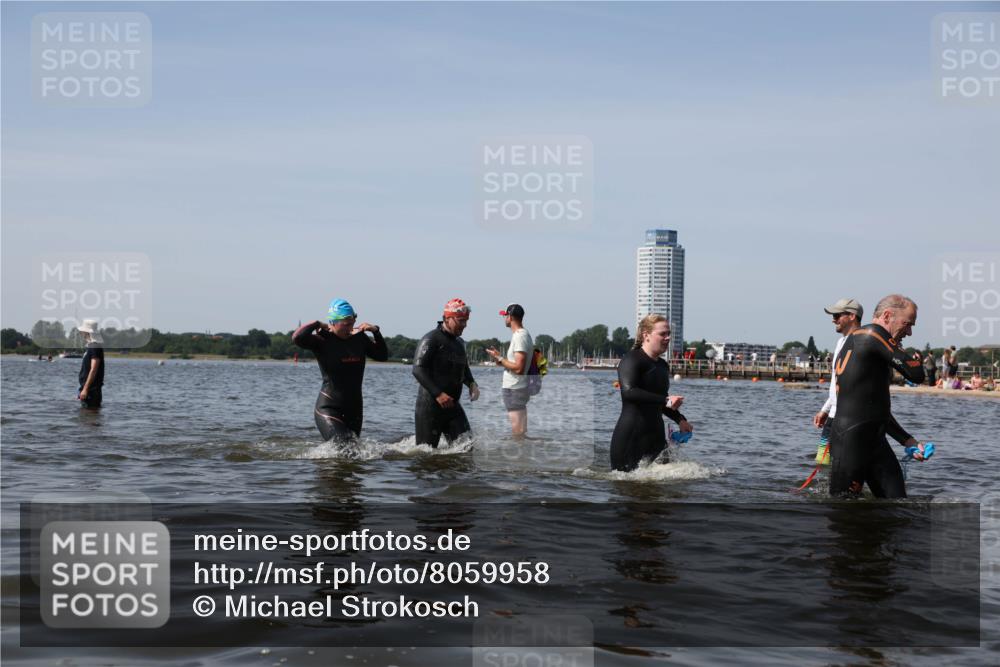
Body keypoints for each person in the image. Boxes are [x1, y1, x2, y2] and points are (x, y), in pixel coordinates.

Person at [829, 294, 928, 498]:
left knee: (897, 505)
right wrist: (899, 349)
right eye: (907, 324)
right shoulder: (871, 334)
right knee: (844, 511)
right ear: (887, 315)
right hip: (852, 441)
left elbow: (872, 407)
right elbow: (917, 374)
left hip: (873, 438)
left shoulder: (864, 340)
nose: (909, 332)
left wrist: (907, 440)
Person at [292, 299, 388, 442]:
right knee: (344, 445)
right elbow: (297, 337)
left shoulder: (360, 338)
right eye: (346, 324)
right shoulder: (322, 340)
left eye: (352, 322)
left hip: (354, 409)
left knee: (353, 452)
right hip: (329, 407)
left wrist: (376, 331)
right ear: (333, 322)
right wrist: (317, 324)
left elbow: (382, 356)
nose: (350, 328)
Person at [610, 314, 693, 472]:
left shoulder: (662, 366)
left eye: (669, 334)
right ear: (646, 335)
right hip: (631, 438)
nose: (668, 338)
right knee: (628, 490)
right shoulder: (631, 360)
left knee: (668, 491)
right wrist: (666, 400)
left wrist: (680, 419)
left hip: (656, 436)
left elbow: (660, 403)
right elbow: (629, 392)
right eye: (663, 334)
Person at [412, 298, 480, 448]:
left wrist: (472, 384)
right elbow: (418, 369)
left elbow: (464, 368)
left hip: (453, 407)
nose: (464, 325)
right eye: (460, 321)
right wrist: (438, 394)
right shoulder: (431, 339)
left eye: (466, 321)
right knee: (426, 456)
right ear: (447, 318)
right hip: (430, 407)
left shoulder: (460, 343)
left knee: (467, 449)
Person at [812, 298, 863, 465]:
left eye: (837, 315)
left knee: (842, 465)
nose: (833, 319)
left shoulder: (862, 342)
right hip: (833, 416)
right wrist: (825, 410)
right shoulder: (840, 342)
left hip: (847, 419)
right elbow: (837, 383)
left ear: (852, 316)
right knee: (822, 462)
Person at [486, 303, 533, 437]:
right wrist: (499, 359)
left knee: (518, 433)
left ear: (510, 317)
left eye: (505, 315)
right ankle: (522, 454)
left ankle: (519, 456)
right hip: (518, 388)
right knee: (521, 432)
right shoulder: (522, 335)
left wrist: (500, 358)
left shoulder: (520, 336)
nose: (504, 318)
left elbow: (519, 368)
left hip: (515, 388)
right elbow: (515, 365)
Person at [77, 319, 104, 409]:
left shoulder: (94, 347)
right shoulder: (91, 346)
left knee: (89, 419)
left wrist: (85, 389)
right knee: (87, 419)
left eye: (83, 331)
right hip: (88, 389)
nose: (81, 333)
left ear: (87, 332)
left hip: (91, 390)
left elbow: (93, 369)